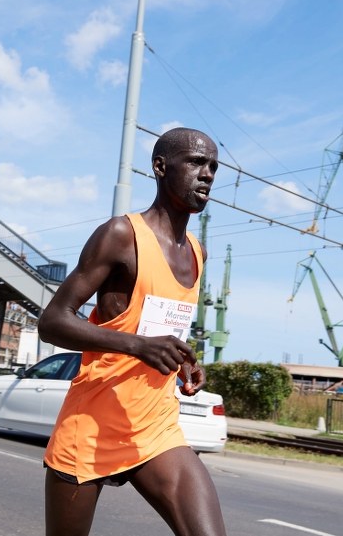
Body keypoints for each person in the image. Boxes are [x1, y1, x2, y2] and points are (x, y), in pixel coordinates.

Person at [38, 127, 227, 536]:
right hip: (92, 424)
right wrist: (138, 346)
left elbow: (153, 323)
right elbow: (53, 321)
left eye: (213, 165)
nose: (208, 173)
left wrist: (180, 361)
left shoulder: (198, 252)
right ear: (160, 167)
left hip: (155, 427)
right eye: (196, 162)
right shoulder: (121, 235)